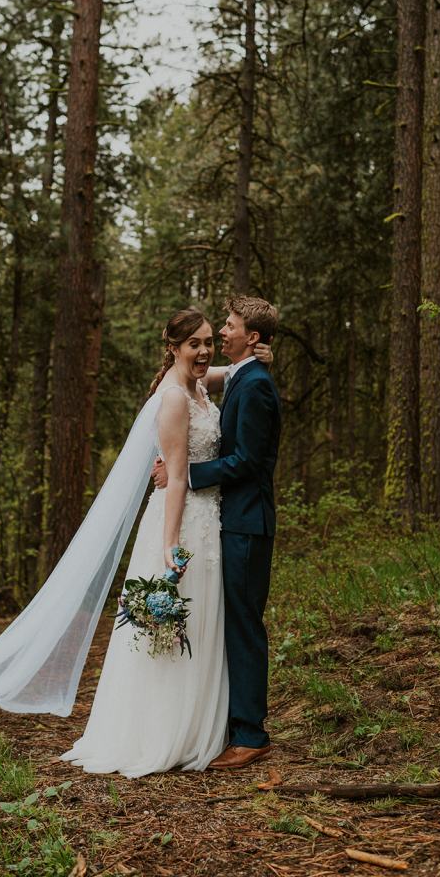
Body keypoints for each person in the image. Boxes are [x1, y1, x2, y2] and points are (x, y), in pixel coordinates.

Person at [61, 307, 275, 778]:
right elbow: (176, 478)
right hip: (184, 522)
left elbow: (231, 372)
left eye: (211, 339)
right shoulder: (175, 397)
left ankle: (209, 726)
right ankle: (164, 729)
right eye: (195, 343)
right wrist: (170, 546)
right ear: (174, 348)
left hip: (212, 519)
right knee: (183, 626)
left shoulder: (202, 383)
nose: (206, 348)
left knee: (205, 624)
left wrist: (261, 354)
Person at [153, 295, 281, 769]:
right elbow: (189, 373)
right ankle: (232, 724)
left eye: (228, 327)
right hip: (231, 520)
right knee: (232, 624)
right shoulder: (242, 376)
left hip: (247, 523)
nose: (220, 335)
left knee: (245, 627)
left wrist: (185, 475)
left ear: (250, 336)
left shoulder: (256, 387)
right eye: (213, 332)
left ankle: (251, 734)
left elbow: (249, 461)